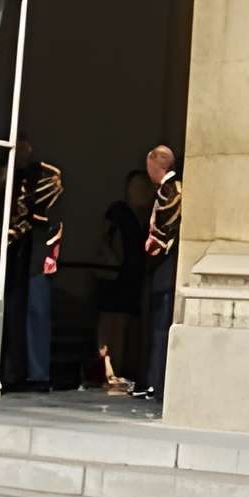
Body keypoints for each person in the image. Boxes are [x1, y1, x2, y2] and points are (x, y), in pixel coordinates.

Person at [1, 145, 63, 393]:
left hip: (37, 252)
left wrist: (51, 255)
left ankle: (37, 374)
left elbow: (51, 222)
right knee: (14, 311)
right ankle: (14, 370)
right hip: (17, 253)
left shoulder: (44, 179)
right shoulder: (10, 179)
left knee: (37, 312)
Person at [92, 169, 150, 394]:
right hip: (113, 275)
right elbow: (103, 237)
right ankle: (106, 371)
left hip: (132, 279)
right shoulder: (118, 211)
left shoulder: (146, 218)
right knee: (108, 324)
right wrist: (112, 259)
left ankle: (119, 370)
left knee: (123, 325)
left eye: (143, 188)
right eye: (136, 187)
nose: (140, 192)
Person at [138, 141, 183, 403]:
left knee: (159, 326)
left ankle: (156, 382)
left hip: (164, 266)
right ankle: (153, 380)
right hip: (161, 267)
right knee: (156, 325)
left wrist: (153, 244)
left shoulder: (170, 189)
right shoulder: (167, 188)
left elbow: (164, 227)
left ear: (157, 165)